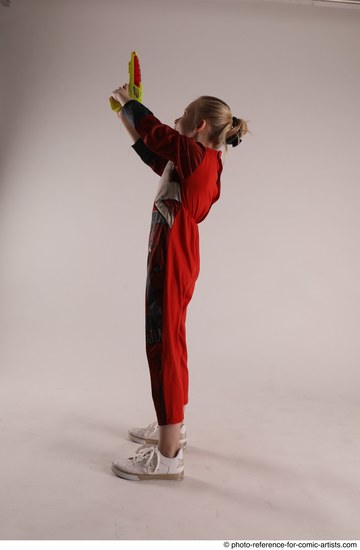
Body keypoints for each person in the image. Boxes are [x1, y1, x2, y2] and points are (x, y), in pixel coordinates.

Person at [110, 83, 249, 481]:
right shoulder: (203, 161)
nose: (175, 122)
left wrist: (129, 101)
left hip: (173, 251)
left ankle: (169, 456)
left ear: (199, 126)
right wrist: (125, 116)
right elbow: (153, 152)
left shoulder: (192, 153)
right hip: (179, 251)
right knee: (171, 337)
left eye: (182, 118)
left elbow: (156, 132)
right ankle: (173, 425)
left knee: (163, 341)